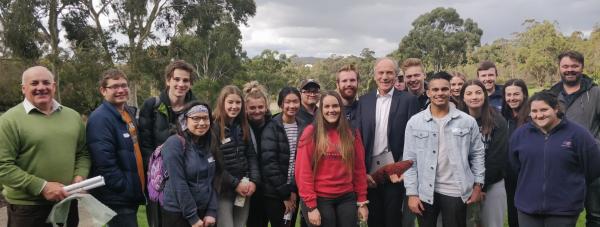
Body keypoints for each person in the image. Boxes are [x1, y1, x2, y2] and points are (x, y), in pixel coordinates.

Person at [0, 66, 90, 227]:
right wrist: (42, 187)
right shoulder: (9, 121)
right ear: (23, 88)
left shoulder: (72, 116)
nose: (41, 87)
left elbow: (82, 153)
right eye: (34, 83)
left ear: (54, 86)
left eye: (46, 82)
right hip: (28, 210)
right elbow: (3, 166)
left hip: (67, 203)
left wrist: (79, 177)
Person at [403, 72, 485, 227]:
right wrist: (412, 193)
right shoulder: (415, 122)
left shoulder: (467, 121)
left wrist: (478, 185)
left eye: (444, 89)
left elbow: (477, 154)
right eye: (435, 90)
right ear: (428, 93)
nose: (440, 93)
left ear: (450, 91)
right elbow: (409, 161)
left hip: (456, 190)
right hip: (425, 192)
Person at [509, 91, 600, 227]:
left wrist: (572, 187)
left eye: (544, 109)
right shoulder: (520, 135)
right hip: (528, 207)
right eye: (534, 111)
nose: (539, 115)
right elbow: (514, 166)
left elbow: (593, 168)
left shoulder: (578, 134)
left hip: (564, 209)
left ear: (556, 108)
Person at [355, 57, 420, 227]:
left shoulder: (408, 101)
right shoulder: (363, 101)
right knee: (374, 219)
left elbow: (413, 140)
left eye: (389, 72)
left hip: (395, 172)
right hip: (370, 173)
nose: (385, 77)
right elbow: (358, 139)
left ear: (396, 75)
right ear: (375, 75)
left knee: (393, 220)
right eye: (381, 72)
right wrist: (362, 172)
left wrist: (401, 168)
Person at [295, 91, 369, 227]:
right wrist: (311, 206)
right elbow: (302, 172)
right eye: (327, 107)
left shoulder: (351, 132)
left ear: (341, 108)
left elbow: (359, 169)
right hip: (320, 197)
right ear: (321, 109)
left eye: (335, 106)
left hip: (346, 197)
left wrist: (362, 201)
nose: (331, 110)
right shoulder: (311, 132)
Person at [139, 59, 196, 227]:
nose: (181, 84)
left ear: (190, 83)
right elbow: (145, 145)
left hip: (187, 178)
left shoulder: (196, 106)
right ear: (168, 80)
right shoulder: (151, 106)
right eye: (176, 79)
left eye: (185, 80)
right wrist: (157, 175)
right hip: (158, 182)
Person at [87, 69, 145, 226]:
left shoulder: (128, 113)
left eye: (124, 85)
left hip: (132, 191)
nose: (120, 90)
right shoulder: (100, 119)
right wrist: (124, 187)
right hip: (118, 197)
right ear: (103, 91)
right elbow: (104, 162)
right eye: (114, 87)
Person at [549, 51, 600, 227]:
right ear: (559, 68)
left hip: (593, 165)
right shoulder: (551, 95)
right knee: (561, 214)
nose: (569, 70)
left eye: (574, 66)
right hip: (562, 166)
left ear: (582, 67)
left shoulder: (595, 93)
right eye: (565, 66)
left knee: (596, 215)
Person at [160, 101, 220, 227]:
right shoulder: (174, 143)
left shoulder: (209, 143)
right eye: (196, 118)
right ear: (184, 121)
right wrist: (192, 217)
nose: (202, 123)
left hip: (204, 212)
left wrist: (211, 211)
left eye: (205, 118)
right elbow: (178, 182)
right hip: (178, 213)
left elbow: (214, 180)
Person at [459, 80, 508, 227]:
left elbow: (497, 158)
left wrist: (480, 187)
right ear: (463, 98)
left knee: (491, 223)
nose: (474, 97)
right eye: (469, 93)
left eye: (478, 92)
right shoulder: (457, 120)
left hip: (492, 183)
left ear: (485, 96)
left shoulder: (497, 120)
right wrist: (470, 186)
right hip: (463, 184)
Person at [212, 85, 260, 227]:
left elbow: (251, 155)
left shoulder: (242, 125)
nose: (234, 106)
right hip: (223, 190)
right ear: (222, 103)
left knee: (240, 224)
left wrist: (254, 181)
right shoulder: (213, 126)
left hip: (244, 188)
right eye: (230, 102)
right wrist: (235, 183)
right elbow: (214, 163)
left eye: (238, 102)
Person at [261, 87, 307, 227]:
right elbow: (270, 164)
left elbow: (301, 161)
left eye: (295, 102)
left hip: (294, 190)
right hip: (275, 193)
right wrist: (285, 195)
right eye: (287, 102)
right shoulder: (272, 127)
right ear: (281, 104)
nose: (292, 106)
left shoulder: (303, 127)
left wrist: (293, 190)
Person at [243, 81, 272, 227]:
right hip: (250, 183)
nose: (257, 111)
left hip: (269, 184)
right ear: (246, 109)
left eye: (260, 107)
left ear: (266, 107)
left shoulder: (273, 125)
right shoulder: (242, 127)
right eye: (252, 108)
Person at [501, 79, 529, 227]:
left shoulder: (532, 117)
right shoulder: (502, 118)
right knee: (513, 213)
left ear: (524, 94)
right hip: (508, 175)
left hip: (527, 173)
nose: (512, 98)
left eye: (516, 94)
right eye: (508, 94)